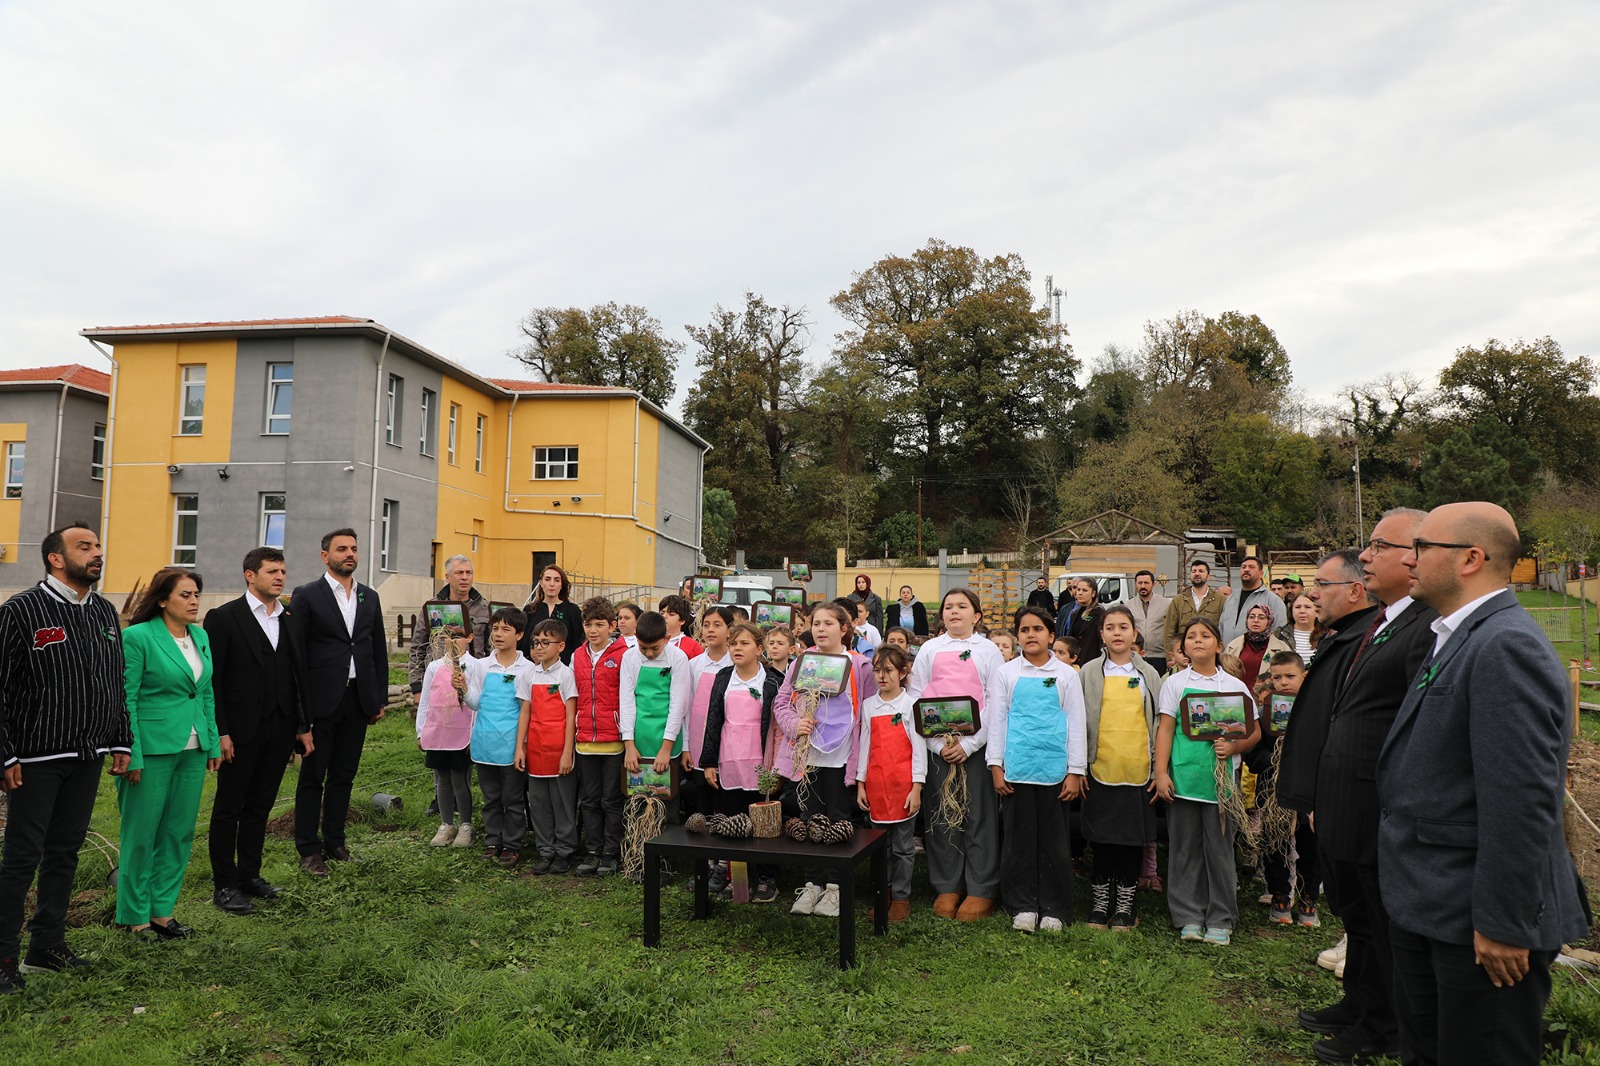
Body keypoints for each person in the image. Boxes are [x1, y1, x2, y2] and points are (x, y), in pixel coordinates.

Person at [1378, 503, 1589, 1066]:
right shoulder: (1458, 634)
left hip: (1478, 921)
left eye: (1422, 547)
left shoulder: (1504, 645)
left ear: (1472, 558)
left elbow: (1521, 799)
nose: (1407, 557)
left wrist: (1503, 921)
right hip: (1434, 902)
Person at [1297, 511, 1437, 1063]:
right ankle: (1358, 1003)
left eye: (1380, 545)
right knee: (1357, 916)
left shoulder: (1423, 627)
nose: (1369, 555)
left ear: (1415, 555)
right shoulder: (1383, 623)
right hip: (1344, 798)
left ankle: (1382, 1028)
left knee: (1380, 923)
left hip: (1374, 801)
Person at [0, 524, 130, 989]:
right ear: (56, 558)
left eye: (97, 546)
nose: (97, 553)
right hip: (32, 760)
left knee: (64, 853)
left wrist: (119, 740)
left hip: (88, 754)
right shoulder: (20, 611)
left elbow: (115, 681)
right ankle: (3, 960)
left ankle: (46, 946)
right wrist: (5, 754)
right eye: (85, 547)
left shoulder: (103, 611)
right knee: (20, 859)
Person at [206, 547, 315, 915]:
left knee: (260, 805)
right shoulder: (223, 618)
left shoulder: (290, 618)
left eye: (283, 571)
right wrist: (220, 732)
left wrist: (302, 726)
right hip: (239, 732)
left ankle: (249, 875)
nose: (280, 577)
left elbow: (298, 676)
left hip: (280, 727)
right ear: (250, 575)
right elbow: (214, 681)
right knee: (228, 808)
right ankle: (224, 885)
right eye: (272, 571)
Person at [116, 568, 223, 939]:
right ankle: (134, 917)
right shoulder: (137, 637)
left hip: (192, 750)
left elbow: (205, 692)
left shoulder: (200, 635)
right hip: (151, 748)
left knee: (178, 834)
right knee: (142, 835)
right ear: (162, 599)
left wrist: (210, 741)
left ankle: (162, 913)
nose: (194, 602)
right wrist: (133, 753)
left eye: (197, 595)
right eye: (185, 595)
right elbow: (125, 698)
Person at [286, 528, 387, 876]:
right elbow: (296, 653)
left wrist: (377, 698)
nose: (350, 554)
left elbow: (376, 650)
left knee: (344, 774)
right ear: (325, 555)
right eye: (342, 548)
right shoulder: (307, 595)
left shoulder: (368, 597)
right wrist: (301, 709)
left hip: (357, 699)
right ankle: (308, 850)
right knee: (313, 776)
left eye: (354, 549)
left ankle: (335, 841)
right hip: (320, 700)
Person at [1153, 617, 1258, 946]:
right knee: (1184, 850)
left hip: (1222, 787)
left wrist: (1235, 746)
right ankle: (1188, 916)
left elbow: (1253, 731)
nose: (1197, 641)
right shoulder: (1174, 684)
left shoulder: (1234, 687)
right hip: (1184, 780)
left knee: (1219, 851)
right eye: (1191, 637)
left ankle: (1220, 918)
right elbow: (1166, 729)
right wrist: (1160, 773)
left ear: (1218, 644)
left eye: (1205, 636)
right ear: (1182, 646)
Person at [907, 588, 1006, 922]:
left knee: (978, 816)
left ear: (976, 616)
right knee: (942, 816)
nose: (954, 612)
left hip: (975, 748)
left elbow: (996, 700)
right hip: (938, 746)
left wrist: (970, 744)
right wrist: (937, 744)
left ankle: (981, 888)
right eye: (948, 607)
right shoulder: (929, 650)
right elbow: (917, 696)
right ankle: (947, 884)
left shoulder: (988, 650)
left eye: (962, 607)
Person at [987, 605, 1087, 934]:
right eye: (1025, 630)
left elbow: (1076, 723)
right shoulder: (1007, 674)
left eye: (1038, 629)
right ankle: (1023, 905)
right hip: (1016, 770)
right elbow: (997, 720)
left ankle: (1054, 907)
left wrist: (1075, 770)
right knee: (1018, 842)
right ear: (1018, 636)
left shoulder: (1066, 675)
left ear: (1051, 635)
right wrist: (996, 765)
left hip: (1055, 772)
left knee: (1054, 843)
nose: (1031, 635)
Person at [775, 600, 875, 918]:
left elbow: (871, 710)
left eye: (828, 623)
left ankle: (836, 887)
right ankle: (812, 884)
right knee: (810, 818)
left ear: (844, 630)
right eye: (816, 623)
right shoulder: (802, 662)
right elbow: (782, 703)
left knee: (840, 819)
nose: (820, 629)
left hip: (843, 754)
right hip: (810, 755)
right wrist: (795, 724)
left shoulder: (859, 665)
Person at [1079, 606, 1164, 931]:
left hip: (1138, 770)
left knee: (1131, 841)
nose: (1117, 633)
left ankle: (1126, 906)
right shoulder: (1088, 673)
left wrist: (1158, 769)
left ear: (1134, 633)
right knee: (1101, 841)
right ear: (1101, 634)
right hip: (1099, 768)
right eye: (1110, 627)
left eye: (1123, 627)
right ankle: (1101, 905)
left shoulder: (1149, 675)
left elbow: (1158, 724)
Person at [700, 621, 782, 903]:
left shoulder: (772, 681)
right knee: (733, 821)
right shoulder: (723, 677)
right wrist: (709, 761)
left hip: (761, 764)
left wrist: (778, 766)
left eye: (744, 643)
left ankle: (767, 878)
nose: (737, 648)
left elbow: (778, 727)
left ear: (759, 649)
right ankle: (737, 880)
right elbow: (713, 720)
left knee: (763, 823)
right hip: (730, 761)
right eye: (734, 643)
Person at [854, 644, 925, 923]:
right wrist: (860, 782)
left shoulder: (911, 706)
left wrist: (917, 787)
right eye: (877, 670)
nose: (882, 676)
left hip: (903, 787)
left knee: (903, 848)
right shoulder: (870, 705)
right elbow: (865, 745)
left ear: (903, 672)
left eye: (889, 671)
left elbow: (918, 749)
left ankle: (901, 897)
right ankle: (881, 893)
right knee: (880, 846)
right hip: (876, 786)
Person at [464, 607, 537, 866]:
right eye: (495, 628)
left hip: (511, 746)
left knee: (513, 799)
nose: (499, 634)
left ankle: (513, 844)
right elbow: (475, 703)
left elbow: (526, 711)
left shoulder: (527, 669)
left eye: (506, 629)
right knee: (491, 798)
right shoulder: (482, 666)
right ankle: (493, 840)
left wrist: (522, 746)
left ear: (519, 634)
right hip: (485, 743)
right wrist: (463, 689)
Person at [1250, 651, 1317, 928]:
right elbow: (1253, 752)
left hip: (1307, 789)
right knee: (1275, 843)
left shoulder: (1316, 708)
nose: (1284, 682)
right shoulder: (1264, 709)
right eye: (1277, 677)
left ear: (1304, 676)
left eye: (1290, 676)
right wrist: (1273, 760)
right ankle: (1280, 895)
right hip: (1272, 790)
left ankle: (1309, 897)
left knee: (1310, 843)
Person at [516, 619, 579, 874]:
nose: (539, 647)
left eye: (545, 642)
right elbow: (525, 714)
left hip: (559, 751)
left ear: (561, 646)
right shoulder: (528, 674)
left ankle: (565, 851)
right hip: (535, 750)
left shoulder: (566, 675)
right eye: (535, 642)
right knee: (539, 803)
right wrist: (519, 747)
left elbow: (571, 717)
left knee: (562, 803)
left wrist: (567, 753)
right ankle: (545, 850)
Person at [572, 598, 628, 877]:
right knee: (590, 799)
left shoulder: (623, 654)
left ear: (612, 626)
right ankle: (593, 851)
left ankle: (611, 852)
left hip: (614, 741)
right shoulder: (577, 655)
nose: (593, 630)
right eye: (588, 624)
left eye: (599, 625)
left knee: (611, 799)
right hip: (585, 742)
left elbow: (629, 698)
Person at [415, 628, 475, 849]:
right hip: (438, 731)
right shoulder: (434, 666)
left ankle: (466, 824)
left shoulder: (474, 665)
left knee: (460, 779)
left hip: (462, 734)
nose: (452, 641)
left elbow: (476, 702)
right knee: (441, 779)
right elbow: (426, 701)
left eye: (457, 635)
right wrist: (421, 731)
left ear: (470, 637)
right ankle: (446, 824)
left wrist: (473, 734)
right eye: (447, 636)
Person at [408, 554, 491, 700]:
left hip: (475, 683)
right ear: (447, 577)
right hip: (438, 682)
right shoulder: (432, 608)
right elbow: (418, 647)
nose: (465, 577)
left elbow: (491, 650)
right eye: (459, 572)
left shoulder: (485, 608)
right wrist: (417, 687)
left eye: (469, 572)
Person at [683, 606, 734, 833]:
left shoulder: (736, 665)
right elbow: (686, 709)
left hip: (729, 747)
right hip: (699, 746)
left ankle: (726, 861)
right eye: (706, 625)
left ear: (729, 630)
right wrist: (686, 747)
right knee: (703, 802)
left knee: (727, 802)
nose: (710, 630)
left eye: (717, 625)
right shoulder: (693, 666)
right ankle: (706, 859)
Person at [1164, 560, 1227, 665]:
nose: (1197, 574)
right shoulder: (1178, 600)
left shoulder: (1220, 600)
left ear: (1208, 576)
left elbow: (1224, 629)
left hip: (1210, 656)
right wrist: (1170, 657)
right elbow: (1169, 630)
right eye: (1194, 571)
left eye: (1201, 571)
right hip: (1184, 656)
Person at [522, 564, 583, 666]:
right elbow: (523, 641)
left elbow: (577, 642)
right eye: (548, 579)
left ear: (561, 584)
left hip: (563, 668)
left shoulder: (573, 610)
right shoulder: (530, 610)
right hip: (532, 668)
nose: (552, 584)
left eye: (556, 580)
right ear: (541, 583)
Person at [1223, 603, 1290, 692]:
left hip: (1266, 698)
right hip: (1238, 696)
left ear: (1270, 621)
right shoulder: (1233, 646)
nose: (1256, 620)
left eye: (1261, 617)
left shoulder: (1282, 648)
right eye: (1251, 617)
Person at [1220, 557, 1287, 647]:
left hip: (1258, 657)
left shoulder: (1273, 601)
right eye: (1243, 567)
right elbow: (1221, 629)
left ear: (1261, 574)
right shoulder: (1231, 599)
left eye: (1251, 567)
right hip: (1228, 657)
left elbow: (1279, 633)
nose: (1246, 569)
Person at [1128, 570, 1172, 674]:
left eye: (1146, 583)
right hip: (1136, 656)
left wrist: (1169, 656)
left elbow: (1171, 629)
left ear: (1153, 584)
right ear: (1135, 584)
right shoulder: (1129, 605)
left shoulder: (1166, 604)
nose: (1143, 586)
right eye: (1140, 583)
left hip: (1159, 657)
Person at [1276, 592, 1325, 663]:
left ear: (1317, 612)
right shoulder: (1279, 633)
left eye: (1307, 607)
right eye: (1298, 607)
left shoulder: (1327, 634)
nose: (1302, 611)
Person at [1064, 579, 1105, 663]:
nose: (1079, 593)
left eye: (1084, 590)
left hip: (1092, 661)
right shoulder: (1074, 614)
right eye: (1078, 589)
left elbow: (1101, 641)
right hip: (1075, 662)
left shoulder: (1100, 613)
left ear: (1093, 593)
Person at [657, 595, 704, 659]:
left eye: (671, 614)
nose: (664, 616)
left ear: (682, 620)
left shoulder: (693, 647)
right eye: (662, 613)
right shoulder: (650, 640)